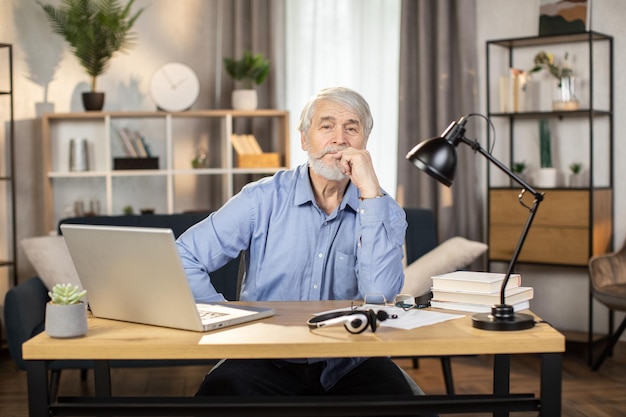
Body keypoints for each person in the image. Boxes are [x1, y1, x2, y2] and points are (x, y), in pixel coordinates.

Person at [176, 86, 419, 398]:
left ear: (365, 142)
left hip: (351, 361)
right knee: (221, 392)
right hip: (267, 356)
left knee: (401, 402)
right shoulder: (260, 199)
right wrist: (226, 319)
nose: (339, 139)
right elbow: (184, 257)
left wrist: (370, 192)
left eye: (351, 128)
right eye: (326, 126)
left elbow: (380, 293)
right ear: (305, 139)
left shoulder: (385, 210)